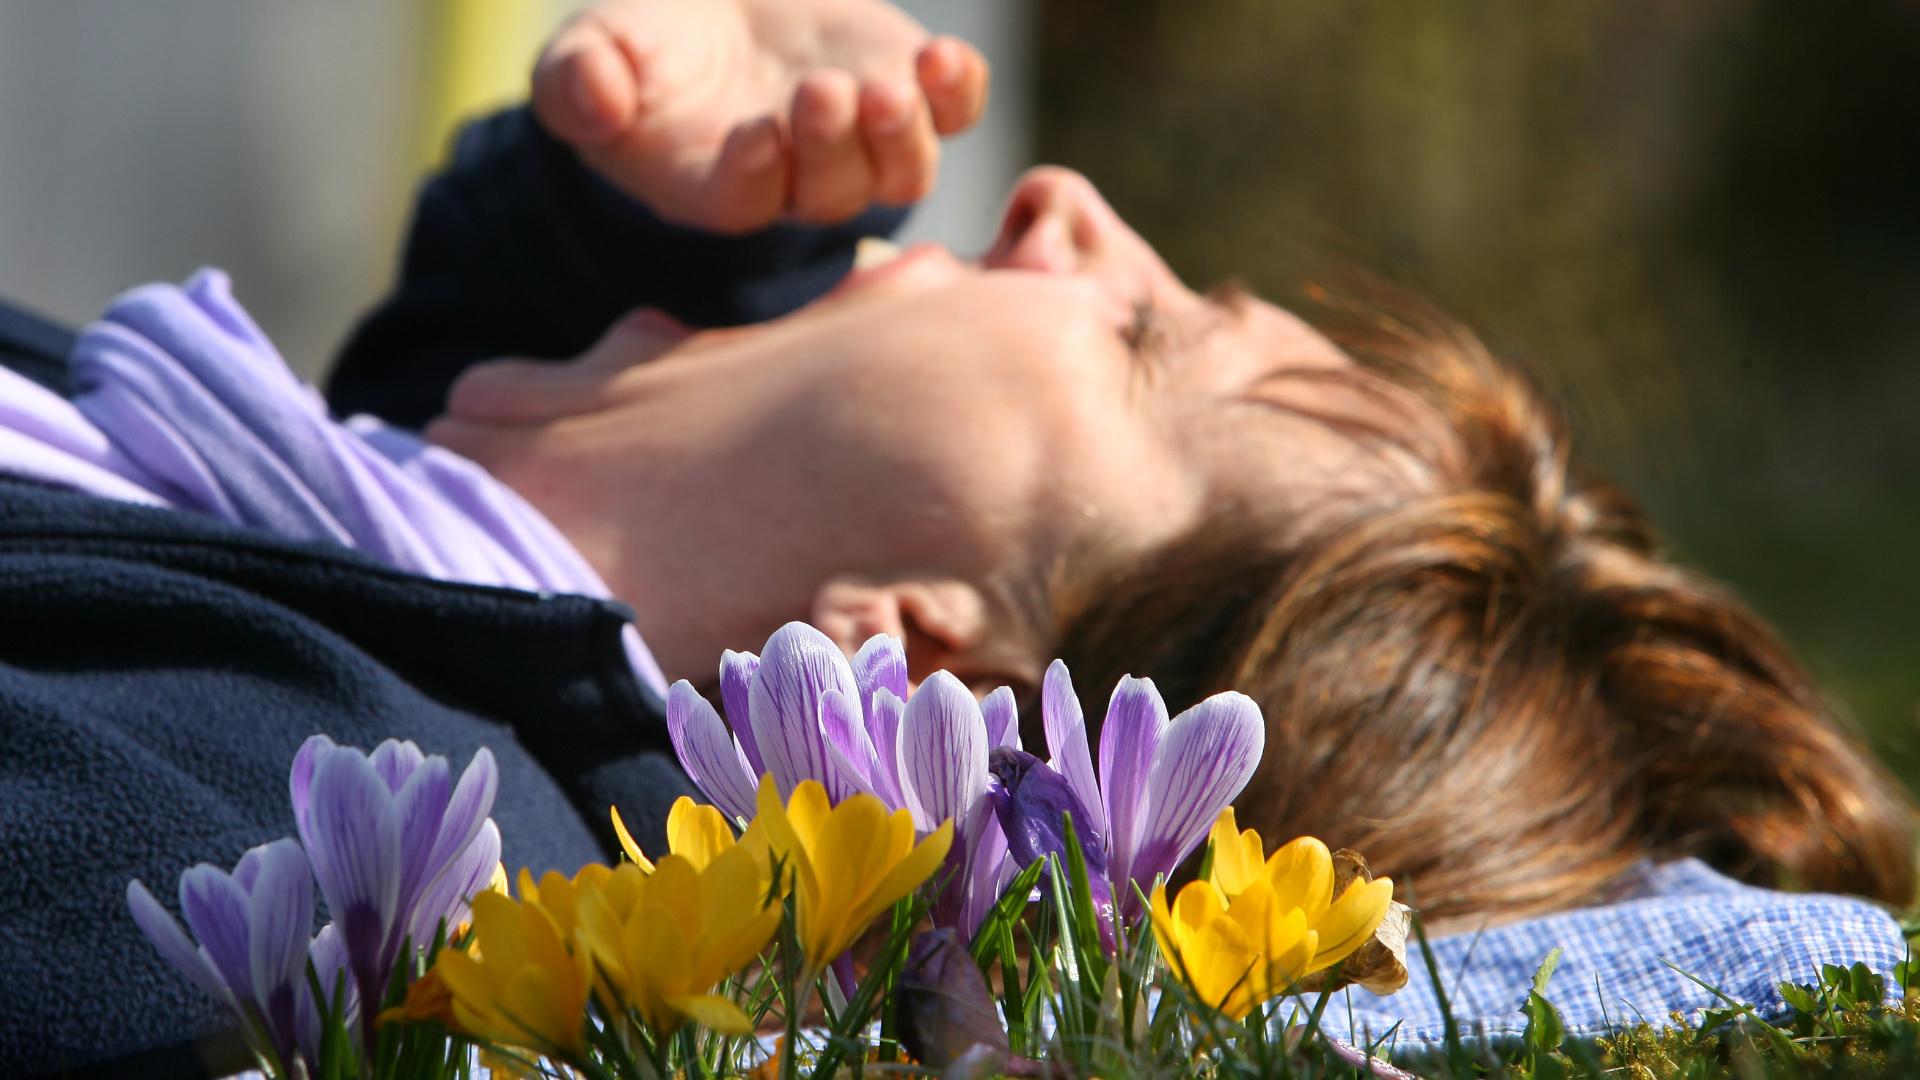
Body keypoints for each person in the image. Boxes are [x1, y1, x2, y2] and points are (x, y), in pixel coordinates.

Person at [0, 0, 1908, 1074]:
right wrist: (640, 254)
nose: (1068, 208)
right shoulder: (344, 594)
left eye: (1146, 341)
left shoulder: (286, 867)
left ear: (910, 679)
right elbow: (418, 566)